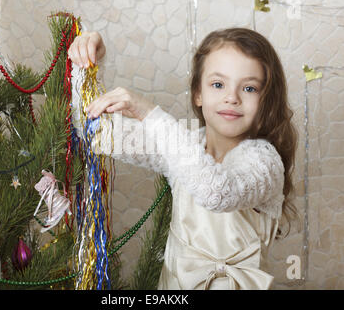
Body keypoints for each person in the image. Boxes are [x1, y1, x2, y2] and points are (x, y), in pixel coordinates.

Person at [68, 27, 298, 290]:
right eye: (218, 84)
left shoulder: (264, 161)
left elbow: (216, 192)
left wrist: (149, 113)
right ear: (198, 93)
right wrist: (86, 64)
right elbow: (98, 135)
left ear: (267, 100)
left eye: (249, 88)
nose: (231, 97)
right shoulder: (183, 142)